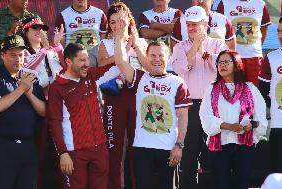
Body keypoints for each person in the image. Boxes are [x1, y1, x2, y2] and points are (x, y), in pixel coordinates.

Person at [114, 10, 192, 189]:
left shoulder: (178, 83)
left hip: (168, 148)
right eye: (153, 56)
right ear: (146, 58)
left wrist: (179, 145)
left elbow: (183, 117)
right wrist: (119, 35)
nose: (157, 59)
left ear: (168, 58)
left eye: (161, 56)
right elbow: (120, 61)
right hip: (142, 148)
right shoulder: (140, 78)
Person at [171, 6, 228, 189]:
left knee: (215, 153)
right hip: (190, 106)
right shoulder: (180, 46)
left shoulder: (218, 45)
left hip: (214, 105)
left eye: (195, 25)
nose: (191, 28)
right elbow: (180, 70)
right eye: (189, 25)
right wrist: (194, 47)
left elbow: (225, 69)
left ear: (205, 24)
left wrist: (202, 50)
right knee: (189, 154)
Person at [199, 50, 268, 189]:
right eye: (219, 62)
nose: (221, 65)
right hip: (219, 146)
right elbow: (205, 116)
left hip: (244, 146)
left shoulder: (250, 88)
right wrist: (229, 126)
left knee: (242, 184)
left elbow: (260, 117)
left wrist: (251, 125)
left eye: (226, 62)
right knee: (221, 184)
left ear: (236, 65)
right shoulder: (211, 89)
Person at [97, 2, 147, 189]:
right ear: (109, 25)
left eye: (121, 21)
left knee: (137, 147)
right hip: (114, 97)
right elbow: (101, 66)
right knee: (114, 148)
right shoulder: (105, 43)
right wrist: (123, 50)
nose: (117, 25)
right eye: (112, 22)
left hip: (137, 98)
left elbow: (148, 68)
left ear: (129, 20)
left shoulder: (140, 42)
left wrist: (135, 47)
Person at [47, 43, 109, 189]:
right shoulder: (57, 87)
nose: (86, 64)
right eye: (81, 60)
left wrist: (119, 37)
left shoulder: (91, 75)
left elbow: (119, 64)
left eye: (87, 59)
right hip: (74, 152)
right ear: (68, 62)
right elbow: (54, 122)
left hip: (99, 148)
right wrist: (63, 153)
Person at [20, 16, 65, 188]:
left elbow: (62, 72)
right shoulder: (23, 53)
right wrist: (48, 50)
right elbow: (29, 70)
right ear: (26, 32)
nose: (39, 31)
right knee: (36, 154)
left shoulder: (50, 50)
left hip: (56, 106)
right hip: (34, 108)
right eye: (34, 28)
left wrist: (58, 47)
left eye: (41, 28)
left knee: (60, 152)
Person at [0, 35, 46, 189]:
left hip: (28, 147)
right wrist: (21, 89)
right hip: (3, 147)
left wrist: (29, 93)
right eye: (12, 55)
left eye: (20, 55)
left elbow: (44, 111)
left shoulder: (30, 78)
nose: (17, 59)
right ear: (2, 55)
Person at [217, 0, 271, 86]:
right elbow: (219, 30)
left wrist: (256, 46)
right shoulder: (224, 3)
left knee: (254, 91)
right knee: (232, 90)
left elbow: (264, 29)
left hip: (254, 56)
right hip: (232, 57)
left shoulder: (260, 4)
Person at [258, 17, 282, 173]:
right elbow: (263, 89)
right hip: (278, 126)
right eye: (279, 31)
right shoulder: (271, 58)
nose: (280, 35)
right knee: (278, 174)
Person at [171, 0, 235, 50]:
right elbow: (176, 54)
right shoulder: (180, 22)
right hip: (191, 66)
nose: (201, 1)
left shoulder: (224, 20)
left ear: (212, 1)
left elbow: (230, 51)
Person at [0, 0, 41, 66]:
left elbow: (41, 45)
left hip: (30, 68)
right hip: (2, 68)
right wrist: (11, 34)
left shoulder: (34, 19)